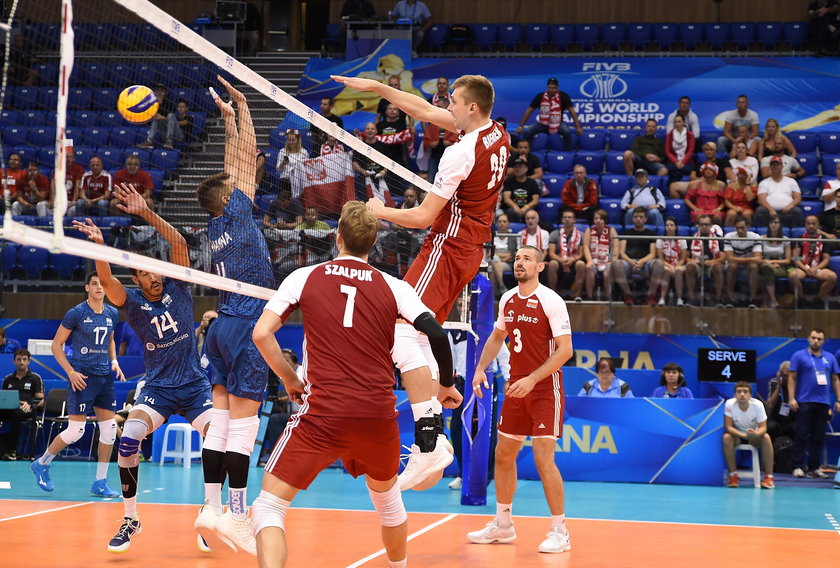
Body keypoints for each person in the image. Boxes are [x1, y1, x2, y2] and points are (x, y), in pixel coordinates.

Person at [250, 200, 453, 568]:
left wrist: (291, 379)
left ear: (337, 236)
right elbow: (437, 335)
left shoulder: (304, 276)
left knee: (269, 507)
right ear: (373, 243)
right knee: (389, 504)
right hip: (377, 415)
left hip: (324, 413)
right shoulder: (394, 287)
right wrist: (447, 383)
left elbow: (262, 334)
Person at [331, 72, 502, 489]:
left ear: (471, 108)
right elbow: (425, 110)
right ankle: (438, 414)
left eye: (454, 103)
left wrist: (378, 210)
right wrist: (380, 89)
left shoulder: (459, 153)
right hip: (470, 247)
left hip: (446, 246)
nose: (447, 109)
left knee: (400, 327)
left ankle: (430, 441)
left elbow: (423, 217)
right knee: (420, 335)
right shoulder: (495, 133)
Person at [72, 183, 213, 554]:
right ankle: (131, 518)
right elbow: (106, 282)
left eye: (155, 272)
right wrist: (101, 248)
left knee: (221, 441)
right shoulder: (131, 302)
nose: (152, 278)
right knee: (130, 438)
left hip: (195, 386)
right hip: (158, 389)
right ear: (136, 279)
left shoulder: (179, 285)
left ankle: (211, 511)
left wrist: (146, 212)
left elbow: (180, 243)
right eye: (144, 274)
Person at [193, 77, 275, 555]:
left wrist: (230, 120)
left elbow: (235, 165)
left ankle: (210, 505)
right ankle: (239, 514)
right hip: (245, 324)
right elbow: (241, 163)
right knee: (243, 425)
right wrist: (242, 111)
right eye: (235, 188)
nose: (243, 184)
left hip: (222, 326)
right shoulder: (237, 215)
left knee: (221, 421)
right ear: (229, 198)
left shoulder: (216, 222)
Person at [466, 245, 573, 554]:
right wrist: (480, 369)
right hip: (516, 388)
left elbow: (565, 350)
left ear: (540, 266)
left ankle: (560, 530)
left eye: (527, 258)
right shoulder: (509, 299)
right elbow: (498, 337)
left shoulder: (551, 300)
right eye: (517, 258)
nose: (520, 262)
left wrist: (532, 379)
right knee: (503, 454)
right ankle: (503, 524)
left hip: (544, 389)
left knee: (543, 458)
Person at [30, 273, 126, 497]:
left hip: (104, 378)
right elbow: (56, 345)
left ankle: (100, 482)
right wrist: (71, 372)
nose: (99, 287)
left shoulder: (112, 312)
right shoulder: (76, 313)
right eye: (95, 284)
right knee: (76, 431)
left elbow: (111, 340)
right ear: (87, 288)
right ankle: (42, 463)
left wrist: (114, 361)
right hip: (82, 377)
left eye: (102, 284)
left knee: (110, 430)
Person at [787, 328, 840, 478]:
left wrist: (838, 399)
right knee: (802, 434)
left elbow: (835, 379)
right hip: (804, 401)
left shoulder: (830, 358)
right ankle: (797, 466)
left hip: (823, 402)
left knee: (818, 436)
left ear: (824, 341)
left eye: (819, 339)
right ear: (808, 338)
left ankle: (814, 466)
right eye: (814, 338)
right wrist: (791, 398)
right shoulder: (799, 356)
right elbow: (792, 378)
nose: (816, 341)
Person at [722, 382, 775, 489]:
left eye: (745, 392)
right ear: (734, 395)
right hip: (736, 436)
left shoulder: (758, 405)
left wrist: (755, 434)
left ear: (750, 396)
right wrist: (742, 435)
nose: (742, 394)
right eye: (739, 392)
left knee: (766, 437)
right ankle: (733, 476)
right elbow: (728, 427)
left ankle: (769, 478)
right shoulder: (729, 404)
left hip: (753, 437)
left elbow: (763, 428)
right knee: (726, 438)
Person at [515, 77, 583, 151]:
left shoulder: (563, 96)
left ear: (557, 87)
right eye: (550, 87)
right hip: (542, 124)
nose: (551, 90)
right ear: (547, 87)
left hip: (558, 124)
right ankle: (527, 153)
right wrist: (521, 126)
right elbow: (529, 111)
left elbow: (572, 112)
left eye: (554, 88)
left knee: (567, 132)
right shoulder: (540, 96)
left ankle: (568, 153)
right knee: (528, 131)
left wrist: (578, 127)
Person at [612, 207, 663, 306]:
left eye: (641, 217)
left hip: (646, 262)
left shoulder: (651, 234)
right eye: (636, 217)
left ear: (645, 219)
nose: (638, 219)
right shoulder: (626, 233)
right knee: (616, 263)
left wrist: (642, 262)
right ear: (632, 219)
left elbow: (653, 253)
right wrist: (631, 262)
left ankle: (651, 295)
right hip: (629, 262)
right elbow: (622, 253)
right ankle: (628, 295)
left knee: (659, 263)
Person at [0, 349, 44, 460]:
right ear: (14, 361)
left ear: (29, 361)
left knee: (17, 413)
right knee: (12, 412)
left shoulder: (35, 378)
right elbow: (3, 397)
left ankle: (12, 451)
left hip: (27, 410)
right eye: (19, 359)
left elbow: (41, 400)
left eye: (24, 359)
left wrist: (30, 404)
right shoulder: (8, 379)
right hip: (9, 408)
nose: (21, 362)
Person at [789, 215, 837, 307]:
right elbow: (795, 258)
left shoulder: (824, 239)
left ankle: (817, 300)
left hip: (818, 268)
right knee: (792, 276)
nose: (811, 226)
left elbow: (826, 258)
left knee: (832, 277)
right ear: (805, 225)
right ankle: (802, 300)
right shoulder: (799, 239)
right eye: (808, 224)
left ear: (818, 225)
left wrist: (816, 268)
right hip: (803, 268)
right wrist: (806, 269)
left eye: (813, 224)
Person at [684, 214, 725, 306]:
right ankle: (691, 298)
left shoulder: (718, 238)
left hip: (712, 264)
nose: (704, 227)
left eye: (706, 224)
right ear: (698, 226)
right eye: (701, 224)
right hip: (697, 264)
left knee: (718, 267)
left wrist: (710, 262)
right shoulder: (692, 238)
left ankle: (718, 300)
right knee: (689, 267)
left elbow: (722, 258)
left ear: (711, 225)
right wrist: (696, 261)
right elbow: (685, 258)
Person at [723, 217, 763, 307]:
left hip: (748, 265)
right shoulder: (728, 236)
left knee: (753, 266)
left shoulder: (755, 237)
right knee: (732, 266)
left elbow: (757, 258)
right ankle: (729, 298)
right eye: (737, 228)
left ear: (748, 227)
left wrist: (740, 259)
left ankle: (753, 299)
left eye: (742, 228)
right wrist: (751, 259)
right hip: (735, 265)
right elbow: (729, 258)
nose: (740, 231)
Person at [754, 156, 803, 228]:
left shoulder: (791, 181)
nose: (775, 166)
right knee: (760, 210)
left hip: (787, 210)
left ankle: (795, 237)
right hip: (769, 210)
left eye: (777, 164)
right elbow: (761, 199)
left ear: (782, 166)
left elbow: (797, 198)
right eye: (773, 165)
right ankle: (761, 236)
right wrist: (771, 210)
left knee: (797, 211)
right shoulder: (764, 182)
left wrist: (790, 206)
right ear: (770, 167)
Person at [546, 209, 586, 297]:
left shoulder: (581, 235)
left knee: (581, 264)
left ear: (574, 220)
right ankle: (552, 294)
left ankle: (578, 293)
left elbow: (581, 253)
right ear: (562, 220)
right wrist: (561, 260)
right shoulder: (554, 234)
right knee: (552, 263)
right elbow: (551, 253)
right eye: (565, 217)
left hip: (574, 260)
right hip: (559, 260)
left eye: (570, 217)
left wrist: (573, 259)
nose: (567, 219)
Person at [422, 96, 459, 183]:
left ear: (447, 107)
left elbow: (461, 140)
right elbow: (426, 140)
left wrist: (452, 144)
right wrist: (430, 144)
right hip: (434, 158)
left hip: (450, 160)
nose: (436, 109)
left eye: (439, 107)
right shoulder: (433, 123)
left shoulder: (455, 123)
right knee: (432, 181)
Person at [582, 209, 616, 301]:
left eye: (601, 218)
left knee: (607, 273)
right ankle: (589, 296)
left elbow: (615, 248)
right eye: (596, 218)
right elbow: (586, 247)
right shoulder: (589, 230)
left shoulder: (611, 230)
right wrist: (589, 260)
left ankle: (607, 297)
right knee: (588, 268)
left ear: (605, 220)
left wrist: (611, 261)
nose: (598, 220)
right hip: (594, 260)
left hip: (607, 261)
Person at [759, 215, 791, 309]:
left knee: (766, 271)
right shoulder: (761, 239)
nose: (773, 225)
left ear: (780, 225)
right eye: (771, 222)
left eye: (776, 222)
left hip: (780, 267)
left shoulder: (785, 240)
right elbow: (759, 257)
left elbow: (788, 260)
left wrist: (775, 262)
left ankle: (765, 301)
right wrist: (769, 263)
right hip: (765, 265)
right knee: (766, 268)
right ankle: (773, 300)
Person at [654, 217, 687, 306]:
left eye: (671, 225)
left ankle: (680, 299)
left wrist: (675, 266)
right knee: (667, 270)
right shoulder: (660, 240)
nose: (669, 227)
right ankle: (662, 298)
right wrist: (670, 266)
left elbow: (683, 259)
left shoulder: (682, 240)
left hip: (678, 264)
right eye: (667, 225)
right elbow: (661, 259)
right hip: (665, 264)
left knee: (678, 271)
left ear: (676, 227)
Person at [501, 158, 541, 222]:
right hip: (513, 209)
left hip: (527, 208)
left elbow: (535, 200)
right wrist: (514, 206)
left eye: (520, 167)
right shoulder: (509, 182)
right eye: (516, 167)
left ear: (526, 168)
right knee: (510, 212)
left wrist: (526, 207)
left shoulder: (532, 182)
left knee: (530, 213)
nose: (517, 169)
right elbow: (506, 199)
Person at [489, 214, 518, 297]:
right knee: (491, 266)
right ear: (497, 223)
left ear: (508, 223)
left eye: (504, 221)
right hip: (494, 261)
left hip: (507, 263)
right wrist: (501, 257)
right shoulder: (492, 236)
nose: (502, 223)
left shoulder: (513, 237)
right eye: (500, 221)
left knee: (493, 264)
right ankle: (501, 286)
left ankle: (492, 296)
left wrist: (497, 255)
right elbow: (489, 253)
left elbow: (512, 254)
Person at [664, 114, 696, 187]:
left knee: (678, 171)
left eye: (679, 122)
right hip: (673, 163)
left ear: (684, 122)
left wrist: (682, 163)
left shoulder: (690, 135)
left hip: (686, 162)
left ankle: (673, 186)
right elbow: (667, 151)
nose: (677, 124)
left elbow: (690, 150)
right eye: (675, 122)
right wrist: (676, 162)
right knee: (672, 168)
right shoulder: (669, 135)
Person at [276, 128, 309, 196]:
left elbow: (307, 168)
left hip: (299, 181)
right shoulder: (282, 151)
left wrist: (297, 170)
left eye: (293, 140)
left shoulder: (304, 152)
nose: (291, 142)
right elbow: (278, 169)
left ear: (298, 140)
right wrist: (283, 164)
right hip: (286, 180)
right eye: (289, 140)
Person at [140, 84, 173, 149]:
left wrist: (162, 117)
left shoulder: (169, 103)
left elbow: (172, 120)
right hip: (158, 126)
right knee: (156, 120)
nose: (159, 93)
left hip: (168, 126)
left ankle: (168, 141)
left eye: (161, 91)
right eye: (158, 91)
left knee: (169, 116)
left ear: (165, 93)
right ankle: (149, 141)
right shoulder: (151, 102)